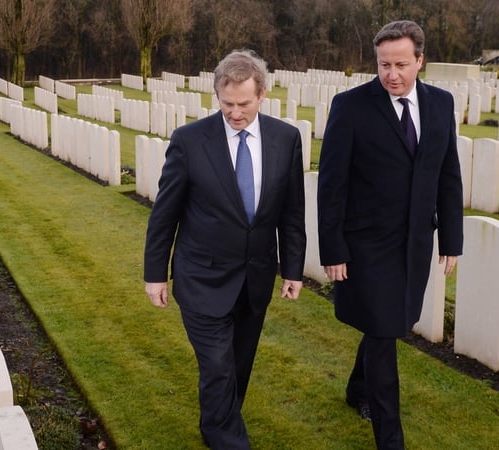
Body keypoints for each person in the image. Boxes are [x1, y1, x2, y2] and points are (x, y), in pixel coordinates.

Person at [143, 49, 306, 449]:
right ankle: (228, 439)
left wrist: (294, 269)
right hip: (202, 276)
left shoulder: (286, 139)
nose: (234, 113)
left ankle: (216, 420)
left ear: (262, 94)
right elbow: (165, 213)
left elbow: (292, 210)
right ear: (217, 96)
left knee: (237, 366)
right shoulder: (190, 141)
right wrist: (154, 274)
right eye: (226, 104)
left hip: (256, 276)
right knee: (217, 366)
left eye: (244, 104)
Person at [317, 20, 463, 449]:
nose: (392, 74)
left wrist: (451, 238)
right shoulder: (351, 106)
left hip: (414, 242)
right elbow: (332, 185)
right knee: (384, 335)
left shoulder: (441, 104)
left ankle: (356, 388)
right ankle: (389, 437)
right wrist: (333, 248)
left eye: (401, 64)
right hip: (366, 246)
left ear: (420, 60)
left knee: (391, 323)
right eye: (384, 65)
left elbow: (448, 173)